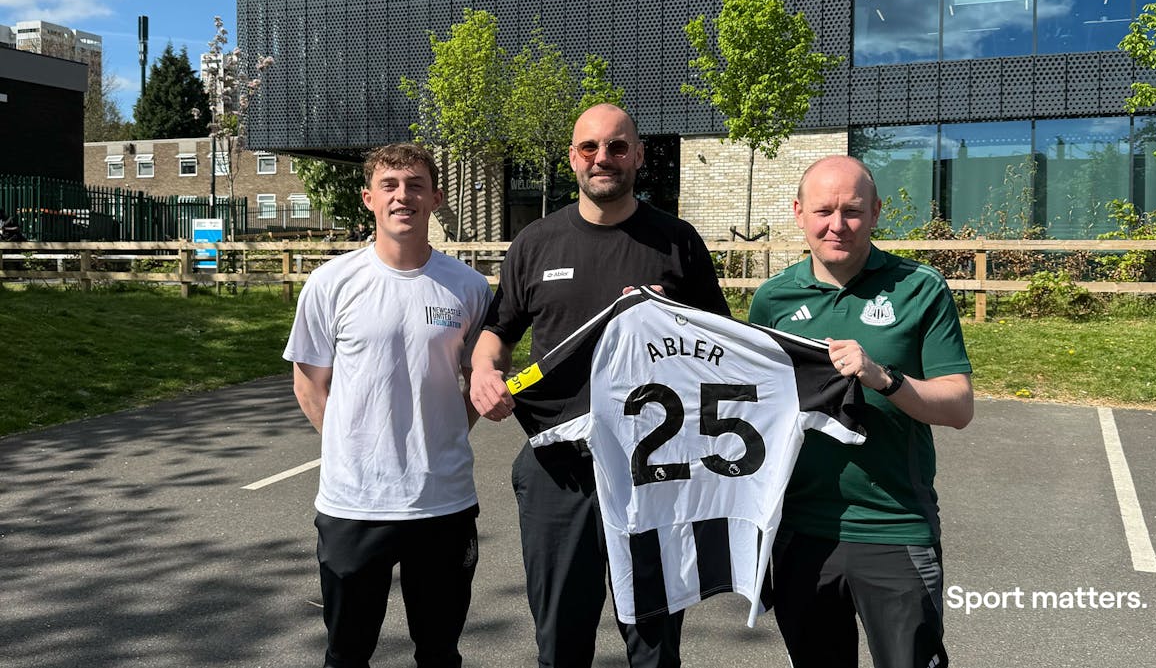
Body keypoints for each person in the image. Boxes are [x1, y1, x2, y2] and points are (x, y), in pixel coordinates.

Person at [469, 103, 729, 668]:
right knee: (561, 640)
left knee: (655, 645)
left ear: (638, 154)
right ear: (572, 158)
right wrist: (484, 373)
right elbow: (496, 334)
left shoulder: (676, 242)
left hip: (651, 467)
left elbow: (722, 348)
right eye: (589, 147)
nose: (602, 158)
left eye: (616, 146)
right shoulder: (536, 242)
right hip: (557, 469)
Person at [748, 155, 974, 668]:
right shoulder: (773, 300)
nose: (837, 225)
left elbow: (959, 406)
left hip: (894, 526)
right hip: (802, 533)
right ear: (799, 213)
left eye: (852, 210)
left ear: (875, 212)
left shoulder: (920, 288)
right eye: (824, 210)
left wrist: (884, 378)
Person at [283, 143, 492, 668]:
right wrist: (348, 450)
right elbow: (309, 386)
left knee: (440, 653)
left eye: (416, 185)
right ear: (369, 199)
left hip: (442, 501)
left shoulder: (467, 287)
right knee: (347, 653)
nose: (404, 196)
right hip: (354, 505)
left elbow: (478, 380)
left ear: (435, 198)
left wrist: (445, 435)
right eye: (391, 186)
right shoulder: (331, 284)